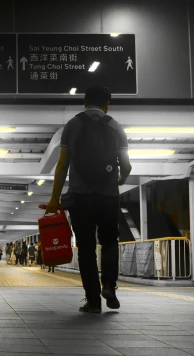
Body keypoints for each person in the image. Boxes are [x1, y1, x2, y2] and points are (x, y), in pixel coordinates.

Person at [46, 86, 131, 313]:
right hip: (108, 196)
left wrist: (55, 198)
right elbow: (127, 165)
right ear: (107, 103)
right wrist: (120, 179)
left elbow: (62, 164)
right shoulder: (115, 126)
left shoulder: (73, 125)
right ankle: (109, 286)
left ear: (84, 103)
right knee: (110, 242)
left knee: (86, 248)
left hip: (80, 197)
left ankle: (93, 301)